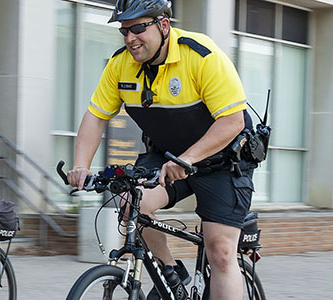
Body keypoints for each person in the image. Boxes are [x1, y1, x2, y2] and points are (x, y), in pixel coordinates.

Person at [65, 1, 254, 299]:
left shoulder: (200, 55)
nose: (129, 38)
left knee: (220, 252)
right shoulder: (120, 64)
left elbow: (232, 121)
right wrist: (81, 166)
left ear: (163, 25)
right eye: (124, 30)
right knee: (131, 203)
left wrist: (188, 158)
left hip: (222, 161)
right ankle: (170, 273)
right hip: (167, 157)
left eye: (138, 28)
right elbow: (96, 116)